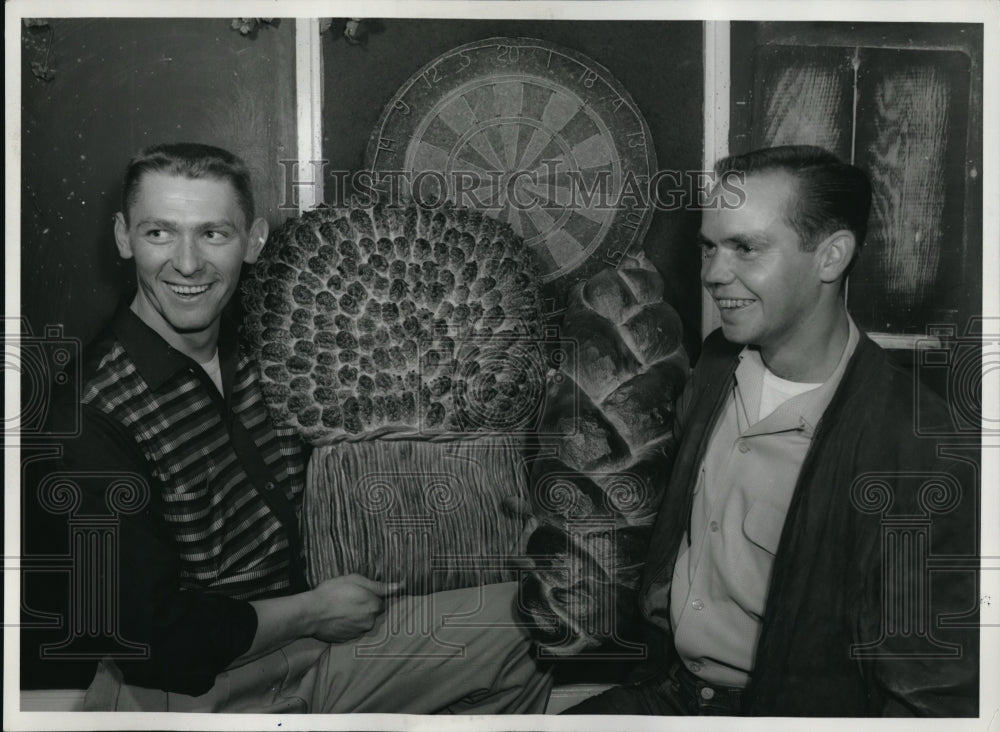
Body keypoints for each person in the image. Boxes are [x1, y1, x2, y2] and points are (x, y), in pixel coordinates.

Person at [48, 143, 551, 713]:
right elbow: (151, 640)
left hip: (302, 648)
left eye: (213, 234)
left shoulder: (271, 347)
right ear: (122, 236)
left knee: (526, 624)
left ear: (254, 240)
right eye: (159, 233)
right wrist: (315, 610)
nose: (187, 263)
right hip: (187, 690)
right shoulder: (86, 415)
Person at [560, 145, 979, 716]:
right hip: (669, 689)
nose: (712, 273)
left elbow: (931, 694)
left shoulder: (916, 443)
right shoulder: (714, 366)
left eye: (746, 248)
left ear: (830, 258)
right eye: (709, 246)